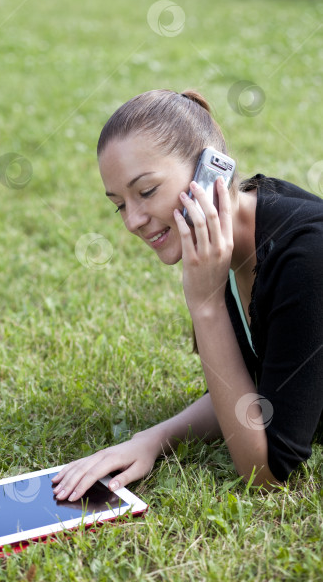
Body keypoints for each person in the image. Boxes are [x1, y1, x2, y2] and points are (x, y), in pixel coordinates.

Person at [52, 89, 323, 501]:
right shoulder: (236, 240)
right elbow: (252, 387)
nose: (133, 221)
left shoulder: (307, 256)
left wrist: (206, 304)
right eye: (119, 205)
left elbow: (266, 472)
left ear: (211, 170)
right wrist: (152, 439)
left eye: (145, 191)